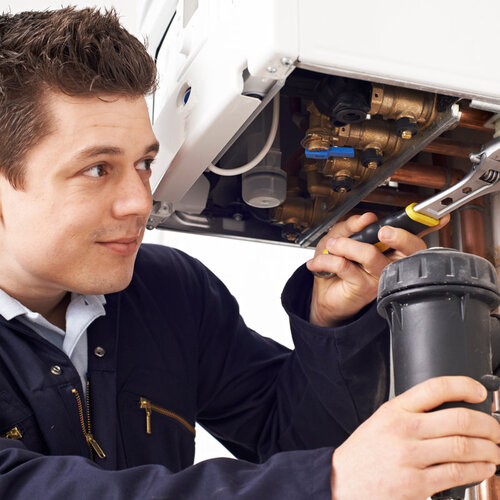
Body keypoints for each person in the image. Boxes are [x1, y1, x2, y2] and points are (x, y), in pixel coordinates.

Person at [0, 7, 497, 500]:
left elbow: (293, 441)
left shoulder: (168, 292)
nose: (139, 202)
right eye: (97, 169)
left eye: (144, 163)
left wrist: (330, 324)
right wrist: (333, 481)